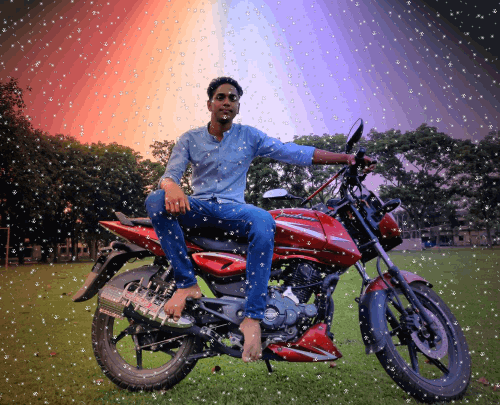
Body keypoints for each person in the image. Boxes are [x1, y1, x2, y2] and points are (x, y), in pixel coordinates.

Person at [145, 77, 374, 363]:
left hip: (234, 212)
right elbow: (170, 174)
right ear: (210, 104)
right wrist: (170, 186)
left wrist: (345, 159)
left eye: (232, 98)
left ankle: (252, 318)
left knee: (264, 220)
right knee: (155, 199)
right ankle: (186, 284)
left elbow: (293, 152)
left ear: (238, 107)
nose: (226, 102)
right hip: (199, 208)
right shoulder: (190, 138)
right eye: (220, 97)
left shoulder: (249, 136)